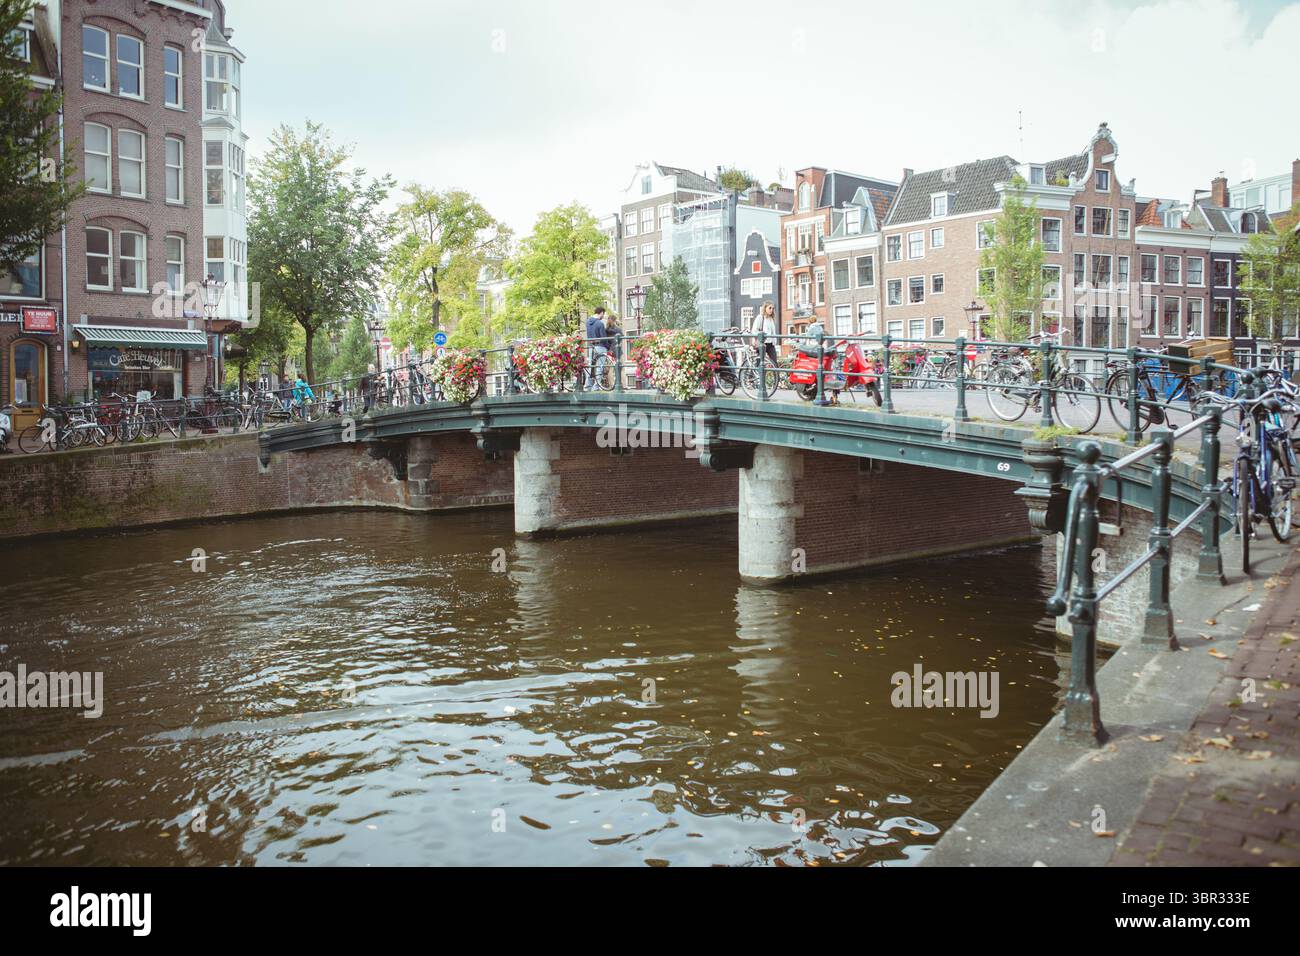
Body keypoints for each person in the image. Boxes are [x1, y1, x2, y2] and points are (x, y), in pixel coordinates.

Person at [585, 306, 609, 387]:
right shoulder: (600, 323)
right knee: (599, 366)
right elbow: (604, 338)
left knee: (591, 365)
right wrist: (608, 347)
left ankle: (588, 384)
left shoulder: (587, 322)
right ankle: (596, 386)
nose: (603, 316)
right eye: (603, 314)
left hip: (591, 346)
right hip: (600, 346)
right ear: (601, 313)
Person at [750, 302, 779, 366]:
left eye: (773, 308)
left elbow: (773, 332)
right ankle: (755, 375)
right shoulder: (760, 317)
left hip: (771, 344)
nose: (771, 310)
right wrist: (763, 334)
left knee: (774, 362)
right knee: (760, 363)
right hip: (762, 343)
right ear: (765, 308)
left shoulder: (771, 319)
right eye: (770, 308)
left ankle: (777, 376)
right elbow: (754, 330)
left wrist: (774, 342)